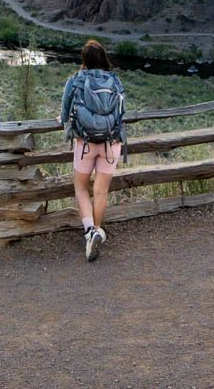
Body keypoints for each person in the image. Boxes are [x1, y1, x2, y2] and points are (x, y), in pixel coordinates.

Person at [60, 39, 126, 262]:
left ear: (84, 59)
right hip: (111, 143)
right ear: (104, 57)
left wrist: (63, 122)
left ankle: (90, 231)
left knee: (80, 187)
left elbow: (64, 113)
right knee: (100, 191)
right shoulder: (115, 81)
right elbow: (121, 112)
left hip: (85, 143)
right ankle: (96, 230)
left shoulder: (75, 80)